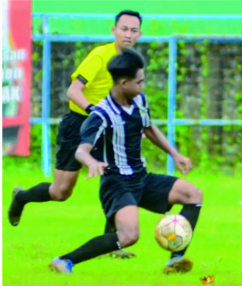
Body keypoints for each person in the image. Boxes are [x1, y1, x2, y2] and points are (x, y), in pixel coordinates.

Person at [49, 48, 202, 274]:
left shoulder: (139, 100)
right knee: (129, 237)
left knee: (193, 195)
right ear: (123, 83)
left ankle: (175, 259)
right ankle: (65, 261)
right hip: (117, 184)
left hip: (142, 177)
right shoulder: (101, 113)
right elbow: (81, 150)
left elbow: (149, 129)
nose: (143, 86)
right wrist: (91, 163)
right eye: (139, 82)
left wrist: (174, 154)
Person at [8, 10, 143, 258]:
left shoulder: (133, 61)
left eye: (133, 30)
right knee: (61, 192)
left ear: (139, 34)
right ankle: (22, 197)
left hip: (109, 126)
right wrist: (95, 112)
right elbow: (73, 91)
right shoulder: (99, 56)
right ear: (114, 30)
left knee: (119, 178)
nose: (128, 34)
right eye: (123, 29)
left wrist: (133, 126)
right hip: (79, 122)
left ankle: (113, 245)